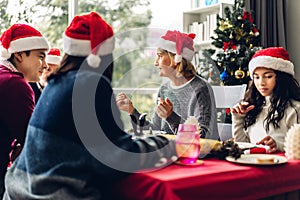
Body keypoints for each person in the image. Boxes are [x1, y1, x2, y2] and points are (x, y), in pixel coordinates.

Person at [3, 12, 176, 199]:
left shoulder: (56, 82)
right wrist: (169, 144)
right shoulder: (89, 83)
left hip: (17, 190)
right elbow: (118, 158)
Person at [116, 30, 219, 140]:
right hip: (171, 152)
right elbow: (154, 129)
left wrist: (170, 116)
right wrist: (132, 111)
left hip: (198, 155)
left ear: (175, 58)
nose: (156, 63)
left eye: (160, 56)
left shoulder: (201, 89)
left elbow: (202, 137)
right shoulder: (164, 89)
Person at [0, 23, 49, 197]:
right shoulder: (15, 84)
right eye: (40, 57)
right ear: (19, 55)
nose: (45, 65)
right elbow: (34, 142)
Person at [231, 47, 300, 152]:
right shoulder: (254, 107)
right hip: (253, 164)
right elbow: (244, 145)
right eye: (257, 77)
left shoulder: (294, 109)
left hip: (281, 166)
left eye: (268, 76)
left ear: (281, 77)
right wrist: (238, 118)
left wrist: (277, 145)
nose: (261, 83)